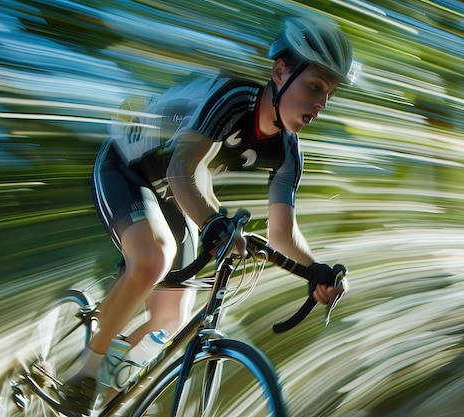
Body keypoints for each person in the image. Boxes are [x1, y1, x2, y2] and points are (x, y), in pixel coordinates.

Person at [60, 16, 353, 414]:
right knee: (153, 258)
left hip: (169, 190)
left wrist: (314, 270)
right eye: (315, 86)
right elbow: (185, 169)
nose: (320, 103)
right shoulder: (233, 100)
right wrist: (213, 222)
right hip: (125, 167)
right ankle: (85, 374)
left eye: (329, 94)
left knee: (170, 322)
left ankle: (111, 386)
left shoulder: (288, 152)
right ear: (281, 71)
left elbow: (283, 233)